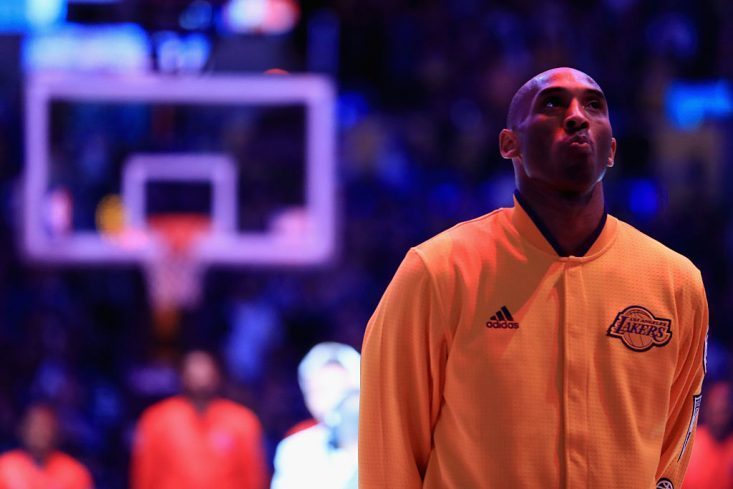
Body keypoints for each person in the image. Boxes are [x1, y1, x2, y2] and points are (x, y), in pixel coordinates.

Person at [359, 67, 709, 489]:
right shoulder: (437, 271)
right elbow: (389, 450)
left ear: (612, 150)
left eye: (593, 106)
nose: (577, 116)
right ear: (510, 144)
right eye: (553, 104)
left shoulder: (675, 282)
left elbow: (671, 451)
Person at [130, 350, 267, 489]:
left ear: (217, 375)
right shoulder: (157, 420)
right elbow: (145, 476)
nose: (200, 375)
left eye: (205, 368)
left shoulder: (242, 421)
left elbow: (253, 478)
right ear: (182, 375)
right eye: (194, 368)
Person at [271, 342, 360, 489]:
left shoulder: (387, 442)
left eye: (335, 388)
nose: (330, 401)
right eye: (317, 391)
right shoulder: (295, 449)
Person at [0, 403, 93, 489]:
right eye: (35, 426)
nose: (40, 432)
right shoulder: (5, 467)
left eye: (46, 426)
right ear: (22, 430)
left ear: (56, 431)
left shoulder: (74, 472)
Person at [683, 379, 733, 488]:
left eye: (724, 412)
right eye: (715, 412)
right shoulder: (690, 442)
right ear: (706, 411)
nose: (719, 419)